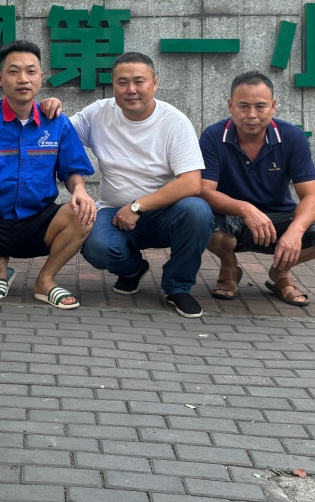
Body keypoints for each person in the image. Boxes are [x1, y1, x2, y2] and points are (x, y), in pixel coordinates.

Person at [0, 41, 96, 310]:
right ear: (0, 78)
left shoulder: (57, 122)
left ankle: (45, 280)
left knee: (83, 213)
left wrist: (80, 190)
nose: (23, 79)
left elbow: (72, 170)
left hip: (37, 220)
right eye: (14, 71)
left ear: (41, 76)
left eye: (30, 71)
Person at [71, 52, 213, 318]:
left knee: (197, 211)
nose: (131, 90)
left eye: (139, 81)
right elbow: (60, 135)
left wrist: (137, 207)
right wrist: (49, 109)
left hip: (164, 214)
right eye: (122, 82)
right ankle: (133, 269)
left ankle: (178, 287)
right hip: (113, 210)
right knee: (97, 248)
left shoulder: (174, 122)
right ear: (113, 85)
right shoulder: (98, 113)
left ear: (155, 83)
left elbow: (191, 183)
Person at [199, 71, 315, 307]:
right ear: (230, 106)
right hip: (231, 218)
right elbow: (204, 191)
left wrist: (295, 231)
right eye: (244, 106)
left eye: (260, 106)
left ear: (273, 107)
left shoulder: (292, 137)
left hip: (279, 219)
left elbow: (310, 196)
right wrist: (246, 209)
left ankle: (280, 273)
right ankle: (229, 267)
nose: (252, 115)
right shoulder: (213, 136)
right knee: (199, 219)